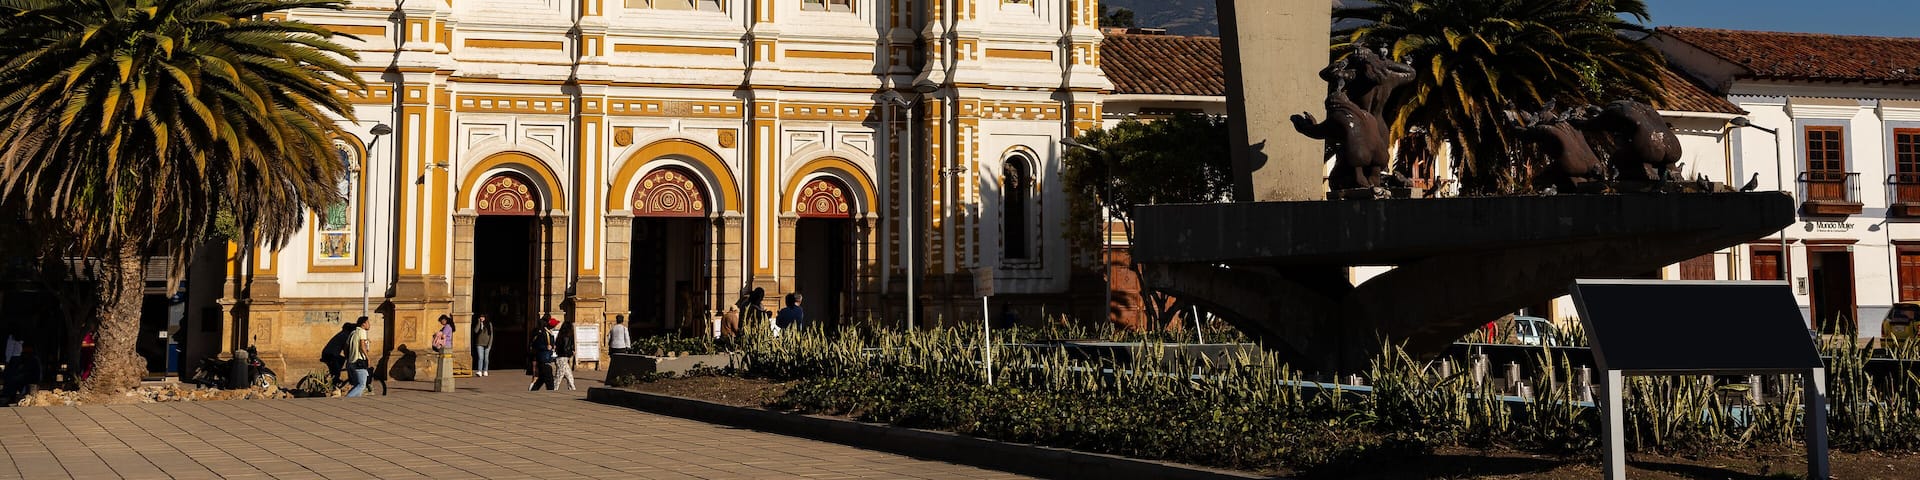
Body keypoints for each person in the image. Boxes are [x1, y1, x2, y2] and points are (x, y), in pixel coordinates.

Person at [528, 317, 558, 391]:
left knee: (541, 378)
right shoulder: (543, 333)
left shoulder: (549, 333)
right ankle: (551, 392)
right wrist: (546, 347)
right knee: (549, 379)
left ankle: (533, 390)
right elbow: (537, 344)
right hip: (543, 359)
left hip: (547, 358)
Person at [346, 316, 372, 397]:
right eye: (368, 322)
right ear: (363, 324)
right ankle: (346, 399)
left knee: (357, 384)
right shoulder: (362, 331)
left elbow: (346, 346)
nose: (369, 324)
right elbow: (362, 346)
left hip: (351, 362)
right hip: (359, 362)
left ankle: (355, 401)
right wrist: (368, 358)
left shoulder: (353, 333)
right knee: (361, 385)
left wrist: (348, 357)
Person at [553, 319, 577, 390]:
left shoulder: (560, 335)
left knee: (569, 376)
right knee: (559, 377)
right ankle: (553, 389)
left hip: (561, 358)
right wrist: (571, 352)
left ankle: (572, 389)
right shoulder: (566, 337)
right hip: (563, 358)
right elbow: (565, 349)